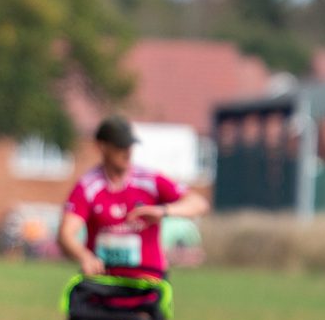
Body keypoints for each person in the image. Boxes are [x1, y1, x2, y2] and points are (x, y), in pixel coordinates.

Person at [56, 116, 210, 284]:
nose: (127, 152)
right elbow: (66, 234)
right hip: (102, 287)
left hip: (147, 285)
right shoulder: (88, 187)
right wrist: (84, 256)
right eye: (120, 146)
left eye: (130, 145)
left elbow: (198, 204)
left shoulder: (150, 180)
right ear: (102, 147)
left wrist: (164, 211)